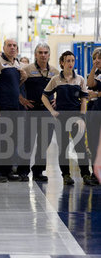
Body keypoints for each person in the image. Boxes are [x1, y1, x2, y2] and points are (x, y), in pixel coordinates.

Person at [41, 50, 95, 186]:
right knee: (63, 147)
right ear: (62, 63)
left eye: (72, 61)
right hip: (61, 117)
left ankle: (86, 175)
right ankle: (65, 175)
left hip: (76, 117)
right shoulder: (55, 80)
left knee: (80, 147)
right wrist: (52, 111)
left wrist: (82, 117)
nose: (70, 63)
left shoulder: (80, 79)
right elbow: (44, 96)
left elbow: (84, 99)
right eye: (68, 61)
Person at [17, 43, 59, 182]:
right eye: (40, 52)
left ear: (49, 54)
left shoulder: (54, 71)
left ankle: (38, 171)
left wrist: (57, 100)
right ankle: (23, 171)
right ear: (35, 55)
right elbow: (15, 86)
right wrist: (21, 99)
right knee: (27, 143)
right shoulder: (27, 70)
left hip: (47, 112)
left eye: (46, 52)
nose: (43, 55)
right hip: (31, 111)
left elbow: (63, 88)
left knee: (44, 143)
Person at [0, 38, 27, 182]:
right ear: (4, 47)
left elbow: (15, 85)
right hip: (2, 106)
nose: (12, 48)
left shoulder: (16, 63)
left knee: (11, 139)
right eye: (9, 45)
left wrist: (23, 77)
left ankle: (7, 170)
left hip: (15, 107)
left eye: (14, 46)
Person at [87, 48, 101, 184]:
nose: (97, 61)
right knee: (93, 142)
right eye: (95, 58)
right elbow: (90, 84)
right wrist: (93, 68)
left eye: (100, 58)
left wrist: (97, 94)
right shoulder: (96, 73)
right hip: (94, 111)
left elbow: (95, 91)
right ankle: (95, 173)